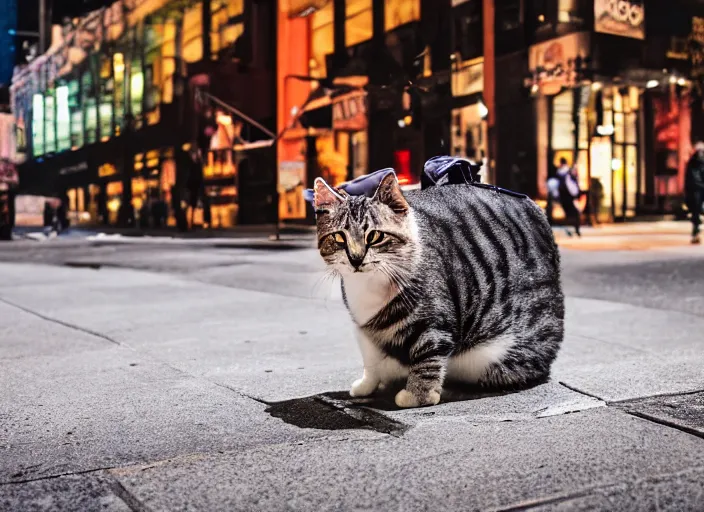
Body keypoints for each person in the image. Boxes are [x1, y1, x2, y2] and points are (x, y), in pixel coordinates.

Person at [685, 141, 704, 244]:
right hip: (697, 190)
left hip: (696, 190)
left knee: (696, 213)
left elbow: (688, 179)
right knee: (696, 213)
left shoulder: (692, 163)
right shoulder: (694, 163)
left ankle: (696, 232)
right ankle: (696, 232)